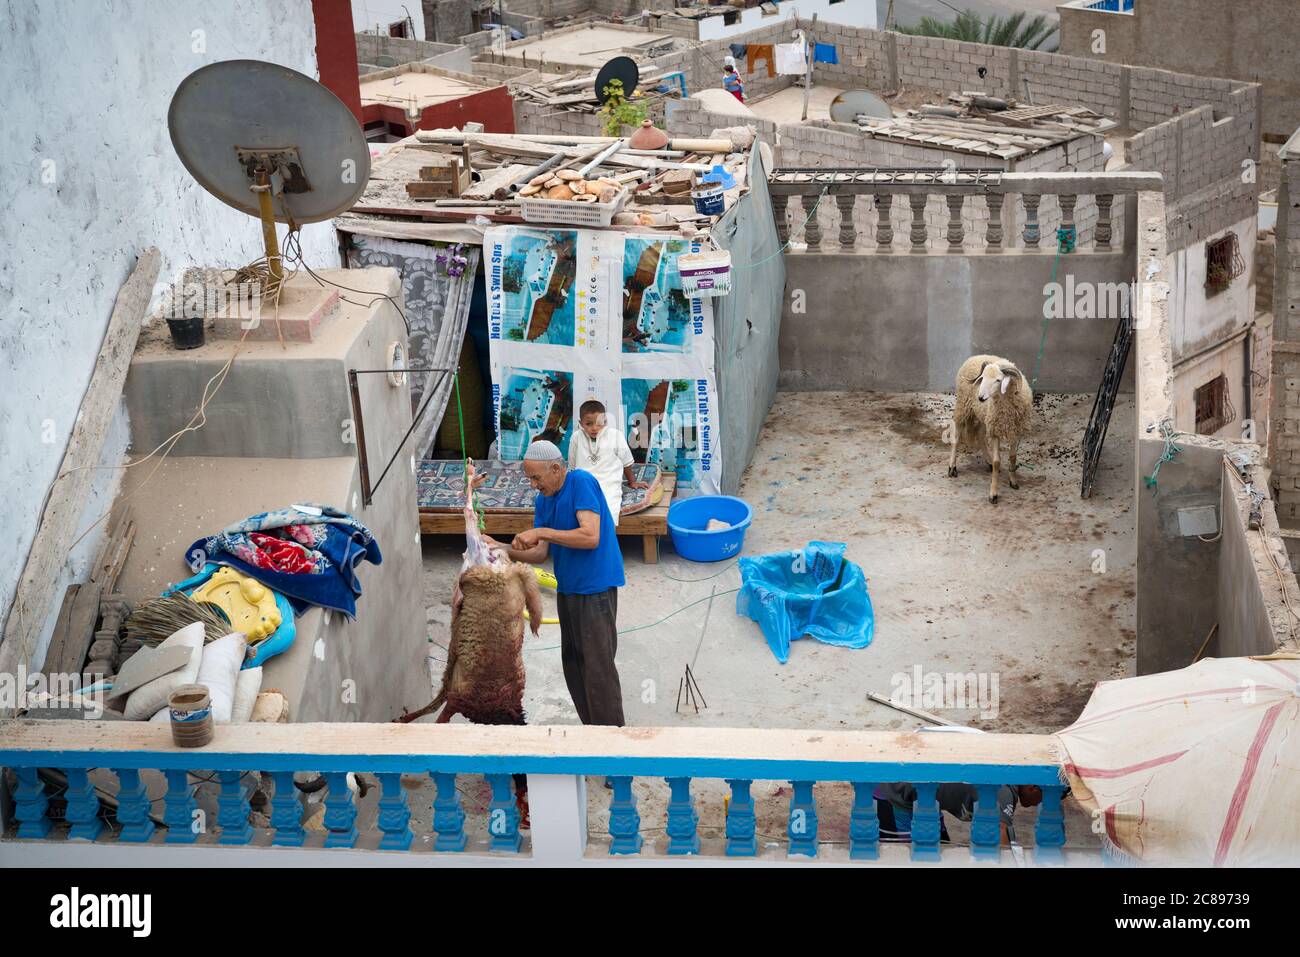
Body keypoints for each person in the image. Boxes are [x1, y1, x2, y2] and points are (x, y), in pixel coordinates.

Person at [497, 439, 627, 727]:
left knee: (597, 668)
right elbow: (540, 553)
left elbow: (590, 536)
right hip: (568, 589)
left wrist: (541, 530)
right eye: (529, 478)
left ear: (556, 468)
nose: (533, 484)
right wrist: (500, 547)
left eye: (536, 477)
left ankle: (612, 746)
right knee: (574, 665)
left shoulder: (580, 482)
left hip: (595, 588)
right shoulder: (544, 499)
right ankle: (592, 732)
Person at [875, 782, 1043, 845]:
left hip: (926, 803)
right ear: (1033, 786)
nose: (1047, 801)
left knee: (942, 850)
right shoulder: (1004, 791)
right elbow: (998, 833)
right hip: (895, 796)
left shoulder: (1007, 782)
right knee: (908, 859)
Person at [568, 399, 648, 528]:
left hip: (608, 482)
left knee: (608, 507)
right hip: (583, 483)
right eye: (588, 424)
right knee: (575, 508)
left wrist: (632, 482)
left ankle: (603, 538)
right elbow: (572, 467)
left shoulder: (616, 435)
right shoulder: (576, 437)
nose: (594, 428)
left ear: (605, 421)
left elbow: (626, 462)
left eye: (599, 423)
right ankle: (582, 537)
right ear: (580, 423)